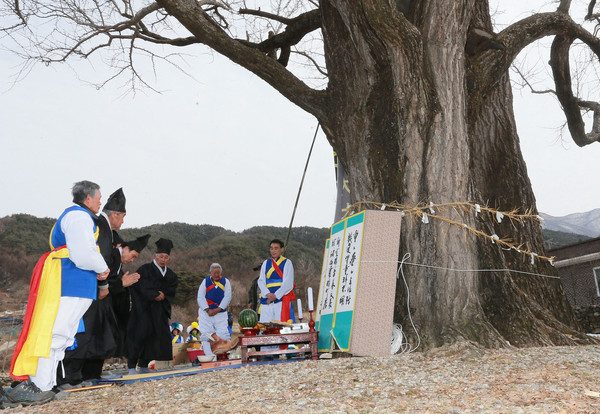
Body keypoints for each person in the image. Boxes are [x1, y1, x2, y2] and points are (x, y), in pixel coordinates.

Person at [4, 181, 109, 408]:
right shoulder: (79, 216)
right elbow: (83, 253)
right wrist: (103, 269)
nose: (101, 201)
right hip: (71, 281)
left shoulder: (77, 216)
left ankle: (45, 385)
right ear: (88, 198)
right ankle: (41, 385)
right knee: (57, 333)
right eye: (99, 197)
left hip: (73, 282)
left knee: (61, 335)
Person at [57, 188, 130, 388]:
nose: (123, 222)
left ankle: (78, 375)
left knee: (91, 333)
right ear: (114, 214)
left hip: (92, 285)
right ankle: (66, 377)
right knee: (79, 332)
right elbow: (95, 257)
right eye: (123, 217)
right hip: (85, 284)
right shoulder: (98, 225)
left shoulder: (102, 226)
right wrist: (103, 284)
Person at [126, 238, 178, 375]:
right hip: (143, 311)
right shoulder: (145, 269)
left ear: (169, 259)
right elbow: (139, 285)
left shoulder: (171, 275)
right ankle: (132, 366)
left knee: (155, 339)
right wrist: (154, 294)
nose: (163, 259)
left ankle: (144, 365)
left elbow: (172, 289)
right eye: (160, 256)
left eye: (166, 257)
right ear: (154, 256)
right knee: (138, 336)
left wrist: (164, 295)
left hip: (159, 312)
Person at [197, 263, 237, 355]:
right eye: (214, 273)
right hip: (206, 313)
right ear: (210, 273)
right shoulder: (205, 282)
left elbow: (227, 297)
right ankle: (209, 356)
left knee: (223, 334)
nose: (216, 275)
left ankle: (226, 355)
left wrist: (217, 309)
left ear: (221, 273)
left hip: (220, 313)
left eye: (218, 273)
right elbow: (200, 297)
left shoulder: (225, 282)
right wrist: (207, 309)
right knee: (206, 335)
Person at [257, 239, 296, 324]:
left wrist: (275, 295)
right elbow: (261, 281)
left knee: (280, 325)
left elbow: (288, 283)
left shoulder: (287, 262)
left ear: (282, 249)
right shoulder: (266, 263)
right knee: (265, 325)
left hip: (281, 299)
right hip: (267, 299)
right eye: (271, 248)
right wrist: (267, 294)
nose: (273, 251)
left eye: (276, 248)